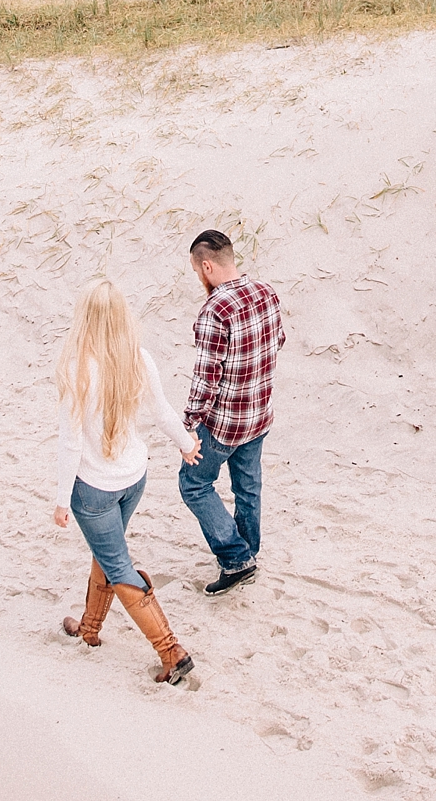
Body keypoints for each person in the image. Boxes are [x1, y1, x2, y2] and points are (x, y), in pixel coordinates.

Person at [51, 278, 202, 685]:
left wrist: (62, 500)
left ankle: (173, 652)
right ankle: (89, 629)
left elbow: (70, 443)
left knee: (118, 564)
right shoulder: (139, 358)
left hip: (94, 487)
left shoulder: (76, 367)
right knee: (109, 550)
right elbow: (164, 412)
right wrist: (188, 445)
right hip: (134, 477)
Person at [177, 229, 284, 596]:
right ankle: (248, 551)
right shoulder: (266, 292)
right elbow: (278, 342)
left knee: (193, 484)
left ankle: (236, 558)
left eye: (197, 271)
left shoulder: (215, 309)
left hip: (224, 423)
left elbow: (206, 377)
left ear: (206, 266)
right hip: (260, 413)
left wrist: (188, 425)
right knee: (248, 485)